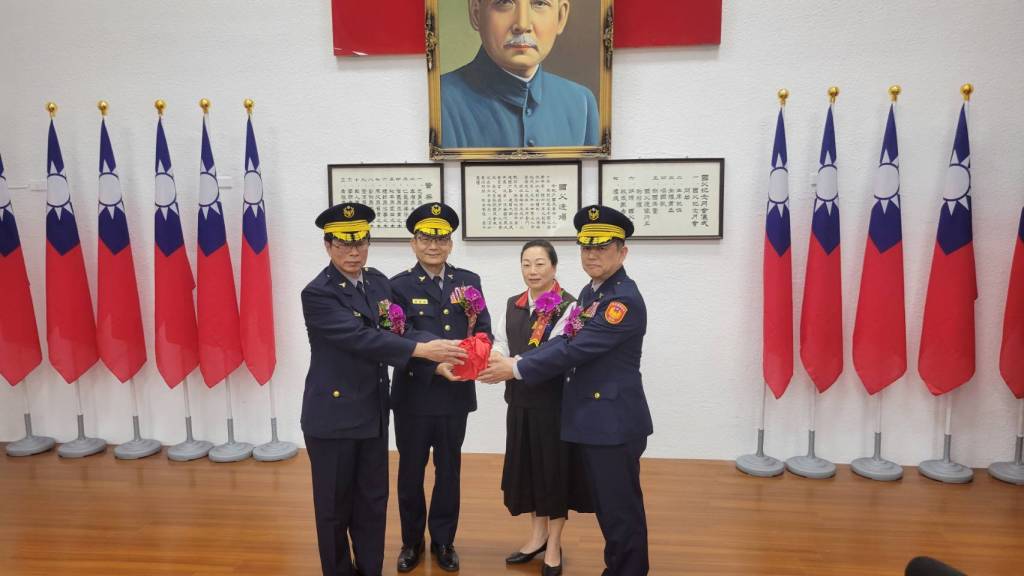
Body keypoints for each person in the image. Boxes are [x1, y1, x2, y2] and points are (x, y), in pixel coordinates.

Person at [480, 205, 654, 576]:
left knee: (620, 512)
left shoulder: (620, 301)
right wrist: (513, 362)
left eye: (602, 247)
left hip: (612, 423)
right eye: (587, 246)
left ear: (622, 252)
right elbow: (564, 343)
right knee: (609, 509)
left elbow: (575, 348)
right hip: (592, 420)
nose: (592, 254)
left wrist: (517, 366)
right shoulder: (593, 293)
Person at [301, 202, 467, 576]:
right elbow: (362, 339)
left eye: (360, 242)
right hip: (333, 417)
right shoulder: (318, 293)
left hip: (373, 413)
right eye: (343, 244)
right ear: (328, 246)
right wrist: (423, 351)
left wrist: (435, 361)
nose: (353, 251)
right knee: (334, 509)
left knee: (373, 503)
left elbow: (398, 329)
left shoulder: (377, 283)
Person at [389, 202, 493, 573]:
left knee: (449, 471)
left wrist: (472, 358)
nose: (433, 245)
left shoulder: (469, 281)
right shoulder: (397, 285)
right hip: (414, 395)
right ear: (413, 243)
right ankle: (411, 542)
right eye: (425, 238)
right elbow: (396, 335)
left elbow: (483, 330)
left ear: (450, 243)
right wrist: (434, 364)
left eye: (441, 238)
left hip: (454, 394)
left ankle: (444, 541)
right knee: (411, 472)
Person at [489, 239, 590, 576]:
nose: (532, 271)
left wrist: (511, 366)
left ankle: (555, 544)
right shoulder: (513, 304)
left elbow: (557, 352)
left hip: (554, 406)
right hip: (519, 402)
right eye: (526, 264)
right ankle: (537, 536)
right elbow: (501, 341)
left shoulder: (570, 307)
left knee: (553, 474)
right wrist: (496, 359)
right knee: (529, 471)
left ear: (554, 267)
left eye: (540, 264)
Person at [441, 0, 599, 148]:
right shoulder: (440, 101)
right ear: (476, 14)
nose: (522, 25)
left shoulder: (581, 103)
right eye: (505, 2)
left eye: (539, 3)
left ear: (560, 16)